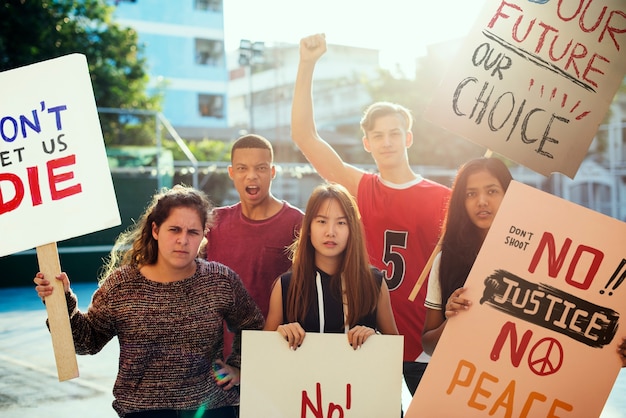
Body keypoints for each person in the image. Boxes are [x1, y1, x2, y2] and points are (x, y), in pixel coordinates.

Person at [291, 33, 450, 393]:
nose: (387, 141)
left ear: (408, 137)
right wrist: (307, 64)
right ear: (367, 143)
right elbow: (304, 135)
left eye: (395, 133)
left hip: (427, 345)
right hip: (366, 338)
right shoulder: (360, 188)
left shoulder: (445, 198)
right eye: (378, 136)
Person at [34, 185, 264, 418]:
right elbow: (86, 342)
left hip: (211, 410)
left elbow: (253, 325)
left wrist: (239, 368)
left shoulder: (220, 280)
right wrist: (61, 302)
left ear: (204, 235)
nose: (183, 240)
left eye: (193, 232)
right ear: (155, 230)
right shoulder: (122, 285)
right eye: (174, 229)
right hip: (143, 412)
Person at [264, 182, 399, 351]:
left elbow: (395, 351)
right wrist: (280, 335)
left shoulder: (374, 282)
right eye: (321, 221)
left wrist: (375, 339)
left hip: (357, 378)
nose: (330, 232)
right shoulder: (286, 285)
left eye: (341, 223)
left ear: (352, 229)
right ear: (308, 228)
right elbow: (265, 353)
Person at [204, 133, 304, 356]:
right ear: (231, 172)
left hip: (279, 352)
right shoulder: (214, 223)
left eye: (260, 168)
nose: (252, 176)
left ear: (272, 172)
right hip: (223, 359)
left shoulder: (297, 223)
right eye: (242, 168)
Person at [421, 157, 512, 357]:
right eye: (471, 194)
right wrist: (452, 319)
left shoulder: (531, 258)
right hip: (467, 380)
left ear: (509, 194)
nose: (482, 201)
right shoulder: (445, 261)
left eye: (492, 191)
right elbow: (428, 346)